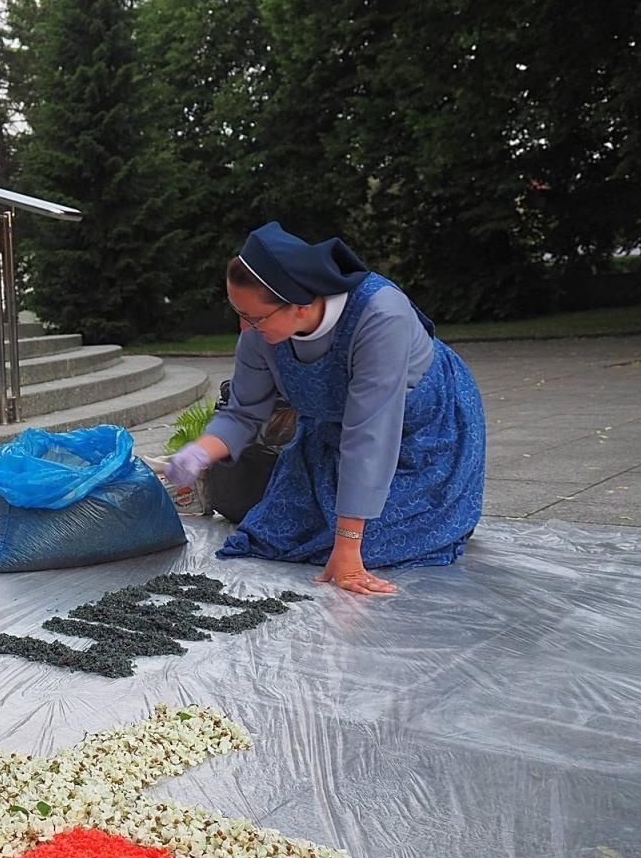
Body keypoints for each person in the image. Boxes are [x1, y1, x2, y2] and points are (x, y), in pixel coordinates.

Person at [166, 221, 485, 595]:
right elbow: (243, 412)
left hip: (418, 430)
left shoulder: (381, 315)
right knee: (277, 535)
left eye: (253, 317)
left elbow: (370, 433)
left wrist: (348, 548)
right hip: (335, 429)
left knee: (369, 546)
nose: (244, 327)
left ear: (301, 305)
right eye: (237, 311)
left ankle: (438, 513)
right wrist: (201, 452)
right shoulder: (258, 333)